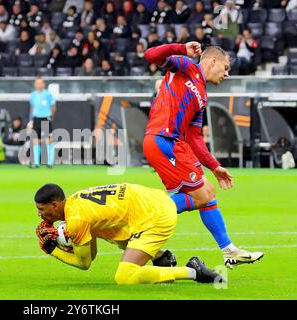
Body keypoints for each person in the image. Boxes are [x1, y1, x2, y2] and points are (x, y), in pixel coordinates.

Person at [143, 42, 263, 268]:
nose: (227, 74)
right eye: (226, 68)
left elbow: (195, 137)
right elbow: (151, 55)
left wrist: (214, 166)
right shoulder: (186, 66)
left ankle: (229, 251)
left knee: (208, 192)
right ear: (212, 61)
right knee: (202, 195)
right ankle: (140, 221)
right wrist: (180, 48)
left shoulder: (202, 95)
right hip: (162, 140)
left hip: (176, 144)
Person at [34, 183, 225, 285]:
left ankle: (193, 270)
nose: (40, 214)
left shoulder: (76, 220)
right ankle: (161, 258)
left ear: (55, 205)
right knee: (110, 231)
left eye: (42, 209)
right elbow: (91, 251)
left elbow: (85, 263)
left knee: (125, 276)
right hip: (151, 200)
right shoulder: (76, 200)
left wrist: (53, 249)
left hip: (155, 217)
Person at [28, 78, 56, 168]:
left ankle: (50, 162)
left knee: (49, 139)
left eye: (41, 83)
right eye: (37, 83)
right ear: (35, 85)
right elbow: (32, 107)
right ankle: (36, 162)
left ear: (44, 84)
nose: (39, 85)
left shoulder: (48, 94)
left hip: (46, 118)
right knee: (36, 140)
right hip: (36, 118)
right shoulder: (33, 95)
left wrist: (51, 116)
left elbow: (53, 106)